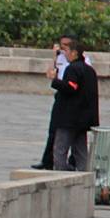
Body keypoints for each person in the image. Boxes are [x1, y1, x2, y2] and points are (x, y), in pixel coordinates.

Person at [32, 34, 92, 170]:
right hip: (63, 98)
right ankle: (48, 161)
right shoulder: (61, 57)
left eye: (66, 46)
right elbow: (52, 71)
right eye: (61, 45)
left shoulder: (79, 65)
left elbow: (72, 86)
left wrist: (55, 81)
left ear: (74, 50)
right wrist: (54, 56)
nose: (63, 49)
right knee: (56, 133)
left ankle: (65, 168)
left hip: (72, 106)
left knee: (65, 143)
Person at [47, 41, 99, 171]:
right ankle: (84, 175)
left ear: (75, 53)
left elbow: (71, 87)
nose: (65, 54)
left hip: (69, 118)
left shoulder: (73, 68)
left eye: (67, 51)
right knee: (81, 151)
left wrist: (55, 80)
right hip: (83, 119)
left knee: (60, 150)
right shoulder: (90, 70)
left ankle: (61, 175)